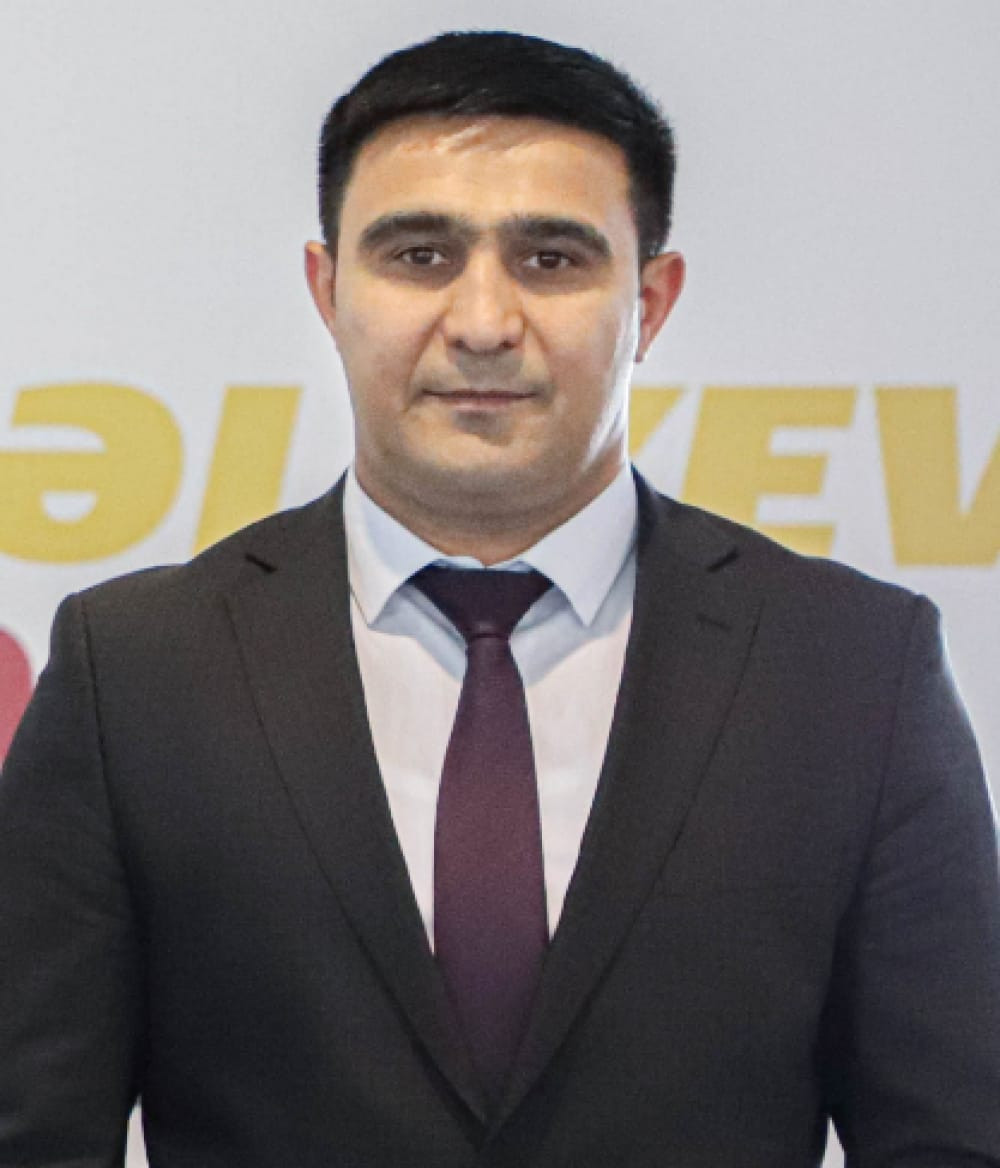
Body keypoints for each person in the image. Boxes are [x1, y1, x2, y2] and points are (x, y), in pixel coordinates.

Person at [1, 29, 998, 1167]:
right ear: (328, 290)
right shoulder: (134, 671)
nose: (482, 322)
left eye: (551, 259)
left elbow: (952, 1140)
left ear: (651, 300)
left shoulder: (854, 670)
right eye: (420, 255)